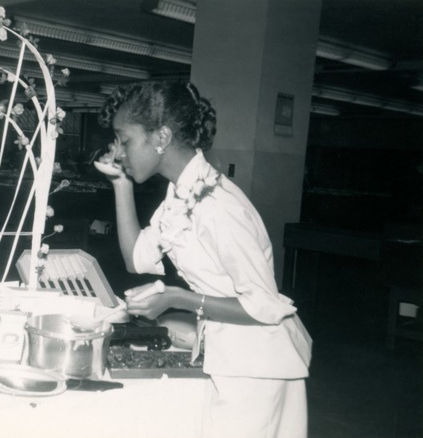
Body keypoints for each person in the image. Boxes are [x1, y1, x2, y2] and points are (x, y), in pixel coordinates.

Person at [95, 80, 312, 438]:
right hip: (229, 355)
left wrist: (177, 298)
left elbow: (265, 305)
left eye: (126, 140)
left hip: (258, 366)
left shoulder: (217, 207)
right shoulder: (182, 193)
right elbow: (137, 257)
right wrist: (121, 184)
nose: (118, 153)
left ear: (161, 137)